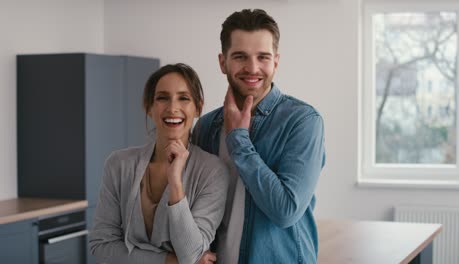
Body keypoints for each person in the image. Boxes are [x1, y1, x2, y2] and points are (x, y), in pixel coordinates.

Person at [192, 9, 326, 264]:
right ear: (223, 62)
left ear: (276, 61)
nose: (252, 68)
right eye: (240, 56)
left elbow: (286, 210)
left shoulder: (303, 121)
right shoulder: (206, 127)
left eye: (262, 57)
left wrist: (238, 140)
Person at [89, 63, 229, 264]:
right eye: (162, 98)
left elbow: (191, 253)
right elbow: (101, 246)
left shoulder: (213, 172)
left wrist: (176, 183)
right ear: (149, 107)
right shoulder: (119, 165)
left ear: (198, 107)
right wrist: (170, 261)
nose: (172, 108)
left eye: (184, 98)